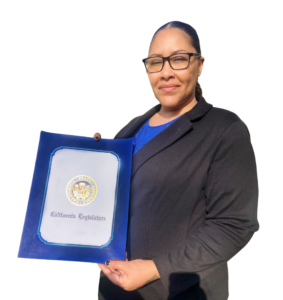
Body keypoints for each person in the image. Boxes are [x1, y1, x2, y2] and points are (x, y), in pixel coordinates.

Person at [98, 21, 259, 300]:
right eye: (156, 62)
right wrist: (91, 162)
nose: (166, 72)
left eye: (179, 59)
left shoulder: (224, 130)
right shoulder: (131, 130)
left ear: (199, 64)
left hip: (179, 292)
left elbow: (233, 225)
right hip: (115, 290)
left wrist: (153, 269)